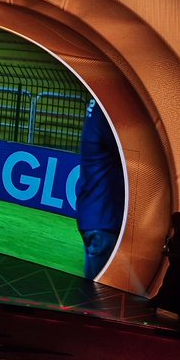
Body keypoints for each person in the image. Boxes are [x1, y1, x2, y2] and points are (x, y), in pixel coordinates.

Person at [76, 99, 124, 280]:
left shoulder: (98, 107)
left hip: (96, 216)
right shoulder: (107, 110)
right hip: (104, 220)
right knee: (101, 292)